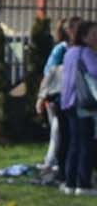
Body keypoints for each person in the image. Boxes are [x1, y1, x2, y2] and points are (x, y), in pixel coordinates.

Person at [57, 18, 97, 195]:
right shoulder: (87, 52)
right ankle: (83, 183)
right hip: (83, 103)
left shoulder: (70, 52)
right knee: (85, 144)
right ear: (84, 36)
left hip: (68, 102)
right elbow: (95, 72)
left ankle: (70, 183)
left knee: (74, 144)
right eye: (94, 34)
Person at [37, 18, 72, 181]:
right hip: (55, 96)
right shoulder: (61, 49)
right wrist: (42, 95)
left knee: (62, 131)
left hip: (68, 96)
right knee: (57, 130)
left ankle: (57, 161)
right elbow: (49, 72)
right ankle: (50, 161)